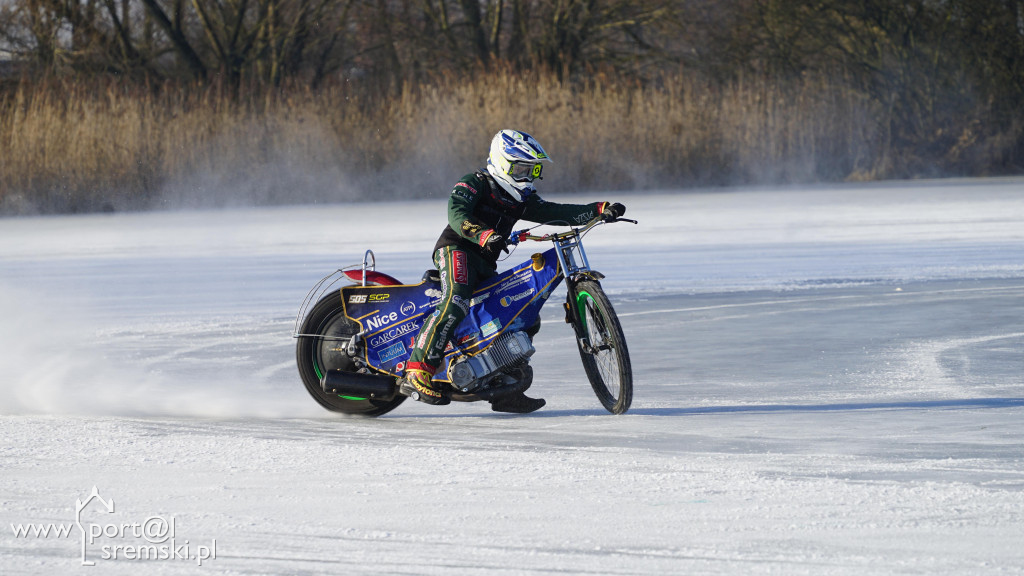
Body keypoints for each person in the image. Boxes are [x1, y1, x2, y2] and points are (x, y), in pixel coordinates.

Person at [397, 129, 626, 413]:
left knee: (520, 317)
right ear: (502, 163)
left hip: (484, 263)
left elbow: (557, 211)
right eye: (521, 169)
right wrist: (483, 235)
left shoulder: (521, 199)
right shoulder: (475, 182)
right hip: (456, 250)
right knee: (455, 301)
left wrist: (598, 209)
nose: (527, 177)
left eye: (532, 170)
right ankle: (417, 371)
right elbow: (457, 214)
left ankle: (505, 389)